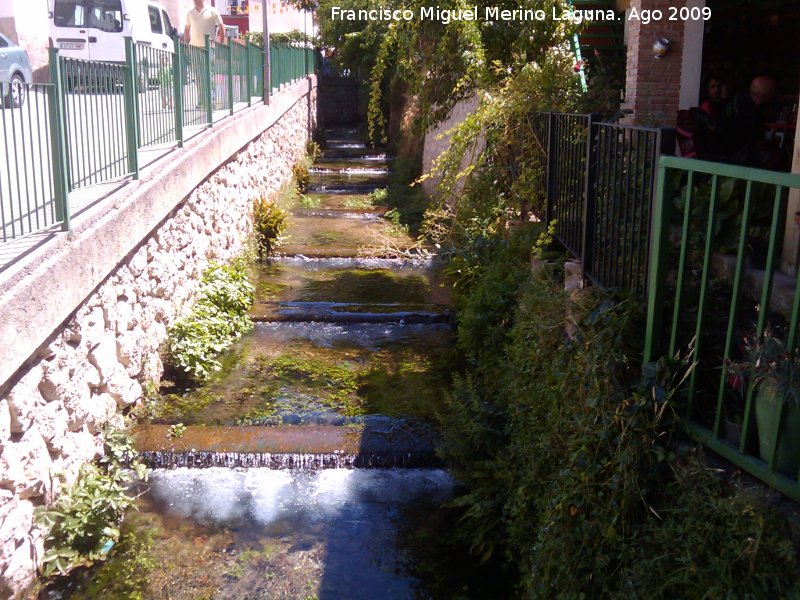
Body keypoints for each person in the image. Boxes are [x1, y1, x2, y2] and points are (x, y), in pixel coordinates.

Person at [716, 75, 777, 165]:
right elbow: (756, 143)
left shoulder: (741, 96)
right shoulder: (750, 113)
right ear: (763, 95)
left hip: (721, 148)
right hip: (734, 154)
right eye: (772, 93)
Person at [184, 0, 225, 112]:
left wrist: (220, 44)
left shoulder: (212, 11)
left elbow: (221, 26)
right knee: (198, 76)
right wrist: (186, 45)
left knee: (209, 74)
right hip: (194, 48)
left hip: (209, 48)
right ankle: (201, 101)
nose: (196, 0)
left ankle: (210, 101)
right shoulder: (189, 13)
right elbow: (187, 30)